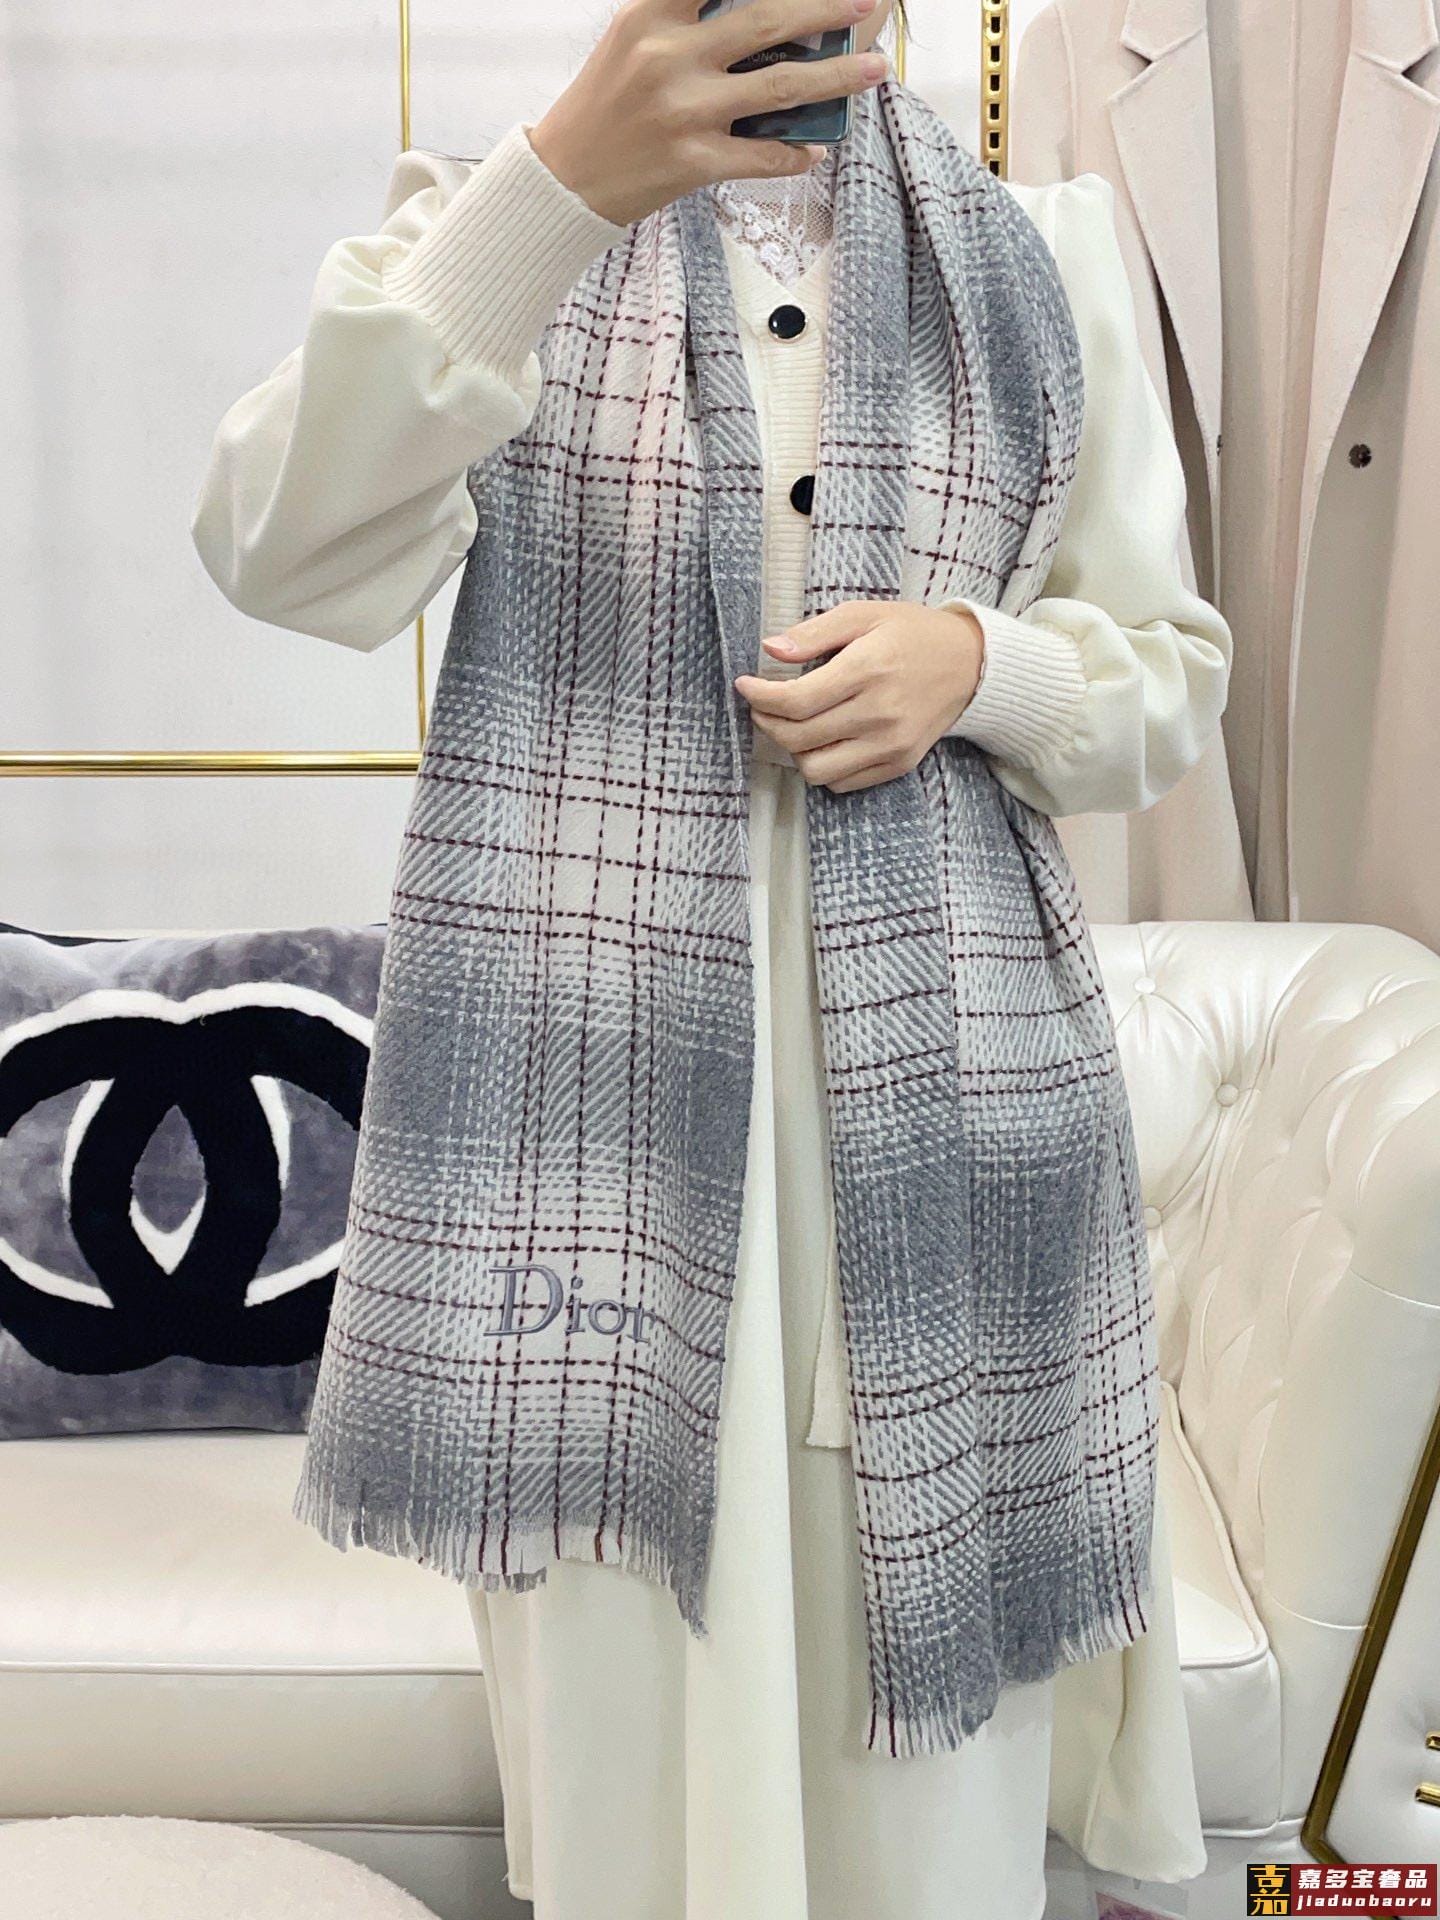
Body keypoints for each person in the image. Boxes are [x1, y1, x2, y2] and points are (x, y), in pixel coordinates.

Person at [191, 3, 1230, 1915]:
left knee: (924, 1811)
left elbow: (1169, 676)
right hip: (583, 1157)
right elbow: (280, 551)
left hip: (939, 1136)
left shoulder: (1042, 251)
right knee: (635, 1790)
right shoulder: (481, 226)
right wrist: (552, 199)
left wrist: (979, 667)